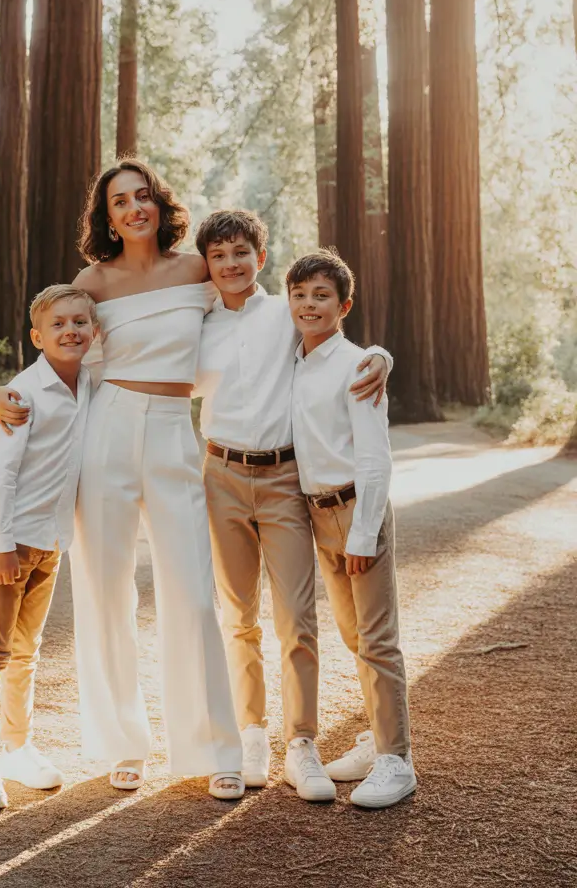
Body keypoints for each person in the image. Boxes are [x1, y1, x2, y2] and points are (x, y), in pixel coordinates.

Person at [0, 161, 244, 801]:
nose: (134, 209)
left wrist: (371, 354)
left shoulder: (195, 271)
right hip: (106, 428)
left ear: (160, 205)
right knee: (106, 593)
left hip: (171, 429)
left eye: (143, 197)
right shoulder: (93, 281)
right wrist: (9, 394)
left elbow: (258, 313)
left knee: (190, 591)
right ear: (106, 216)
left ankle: (212, 747)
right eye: (120, 201)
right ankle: (122, 746)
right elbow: (61, 346)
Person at [193, 209, 392, 800]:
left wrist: (381, 354)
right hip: (220, 473)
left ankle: (300, 744)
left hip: (283, 478)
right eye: (219, 255)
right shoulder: (195, 320)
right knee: (236, 615)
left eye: (241, 253)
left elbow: (340, 339)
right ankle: (248, 735)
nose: (231, 265)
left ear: (261, 254)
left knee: (296, 619)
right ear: (207, 263)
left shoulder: (286, 312)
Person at [288, 249, 416, 809]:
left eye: (322, 296)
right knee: (354, 637)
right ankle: (375, 737)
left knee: (378, 639)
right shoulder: (291, 361)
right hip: (317, 514)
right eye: (300, 295)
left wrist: (363, 534)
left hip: (357, 512)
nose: (309, 305)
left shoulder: (359, 366)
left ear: (344, 305)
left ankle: (397, 760)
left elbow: (375, 458)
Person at [0, 285, 95, 809]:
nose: (71, 331)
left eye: (80, 323)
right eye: (58, 325)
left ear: (94, 330)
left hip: (51, 541)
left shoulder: (91, 380)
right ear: (37, 337)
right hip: (12, 541)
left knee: (28, 651)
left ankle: (17, 745)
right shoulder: (22, 394)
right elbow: (2, 476)